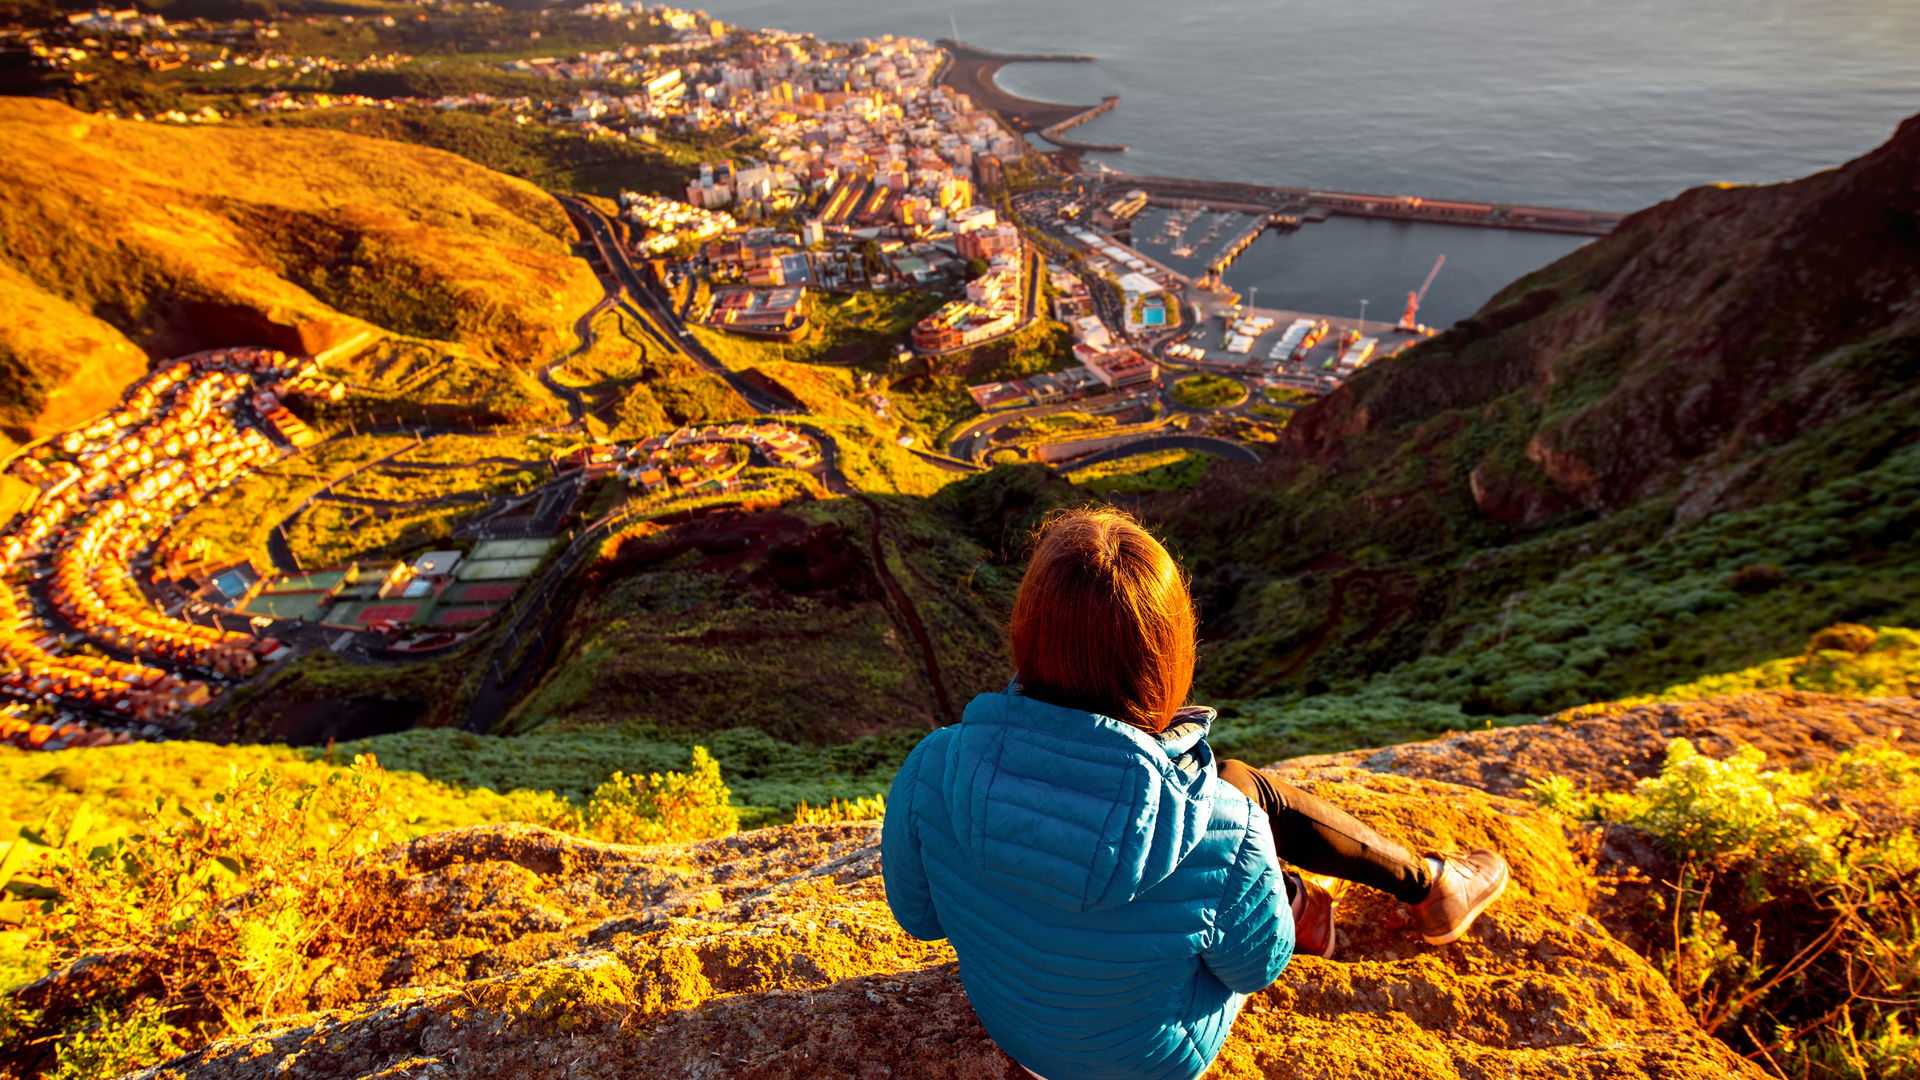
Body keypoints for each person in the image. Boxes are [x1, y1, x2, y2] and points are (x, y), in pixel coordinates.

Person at [881, 508, 1508, 1080]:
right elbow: (1255, 967)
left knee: (1231, 785)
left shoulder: (931, 767)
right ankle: (1411, 886)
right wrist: (1237, 885)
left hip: (1017, 1033)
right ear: (1167, 658)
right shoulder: (1223, 828)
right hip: (1153, 1058)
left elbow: (922, 917)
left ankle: (1339, 890)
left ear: (1030, 633)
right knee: (1237, 798)